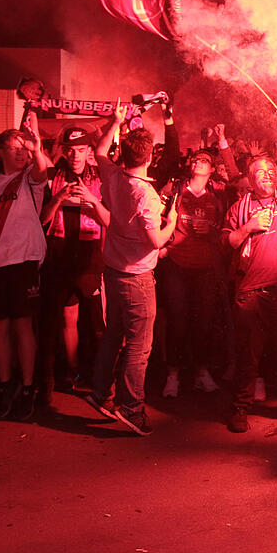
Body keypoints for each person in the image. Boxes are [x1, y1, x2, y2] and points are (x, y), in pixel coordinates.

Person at [85, 105, 178, 436]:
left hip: (113, 272)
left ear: (122, 153)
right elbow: (155, 241)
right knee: (139, 346)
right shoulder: (146, 194)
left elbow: (98, 150)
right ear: (150, 156)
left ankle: (100, 394)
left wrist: (116, 123)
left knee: (114, 335)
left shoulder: (114, 175)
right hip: (137, 278)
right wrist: (173, 223)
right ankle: (131, 408)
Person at [222, 108, 277, 434]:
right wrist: (247, 227)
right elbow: (228, 243)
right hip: (251, 295)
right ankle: (240, 409)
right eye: (260, 171)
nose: (267, 174)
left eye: (271, 170)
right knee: (249, 357)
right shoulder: (239, 208)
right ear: (249, 179)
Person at [0, 116, 49, 421]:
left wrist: (36, 146)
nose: (21, 152)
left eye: (24, 148)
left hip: (24, 260)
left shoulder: (29, 179)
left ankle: (30, 386)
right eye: (15, 147)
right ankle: (7, 385)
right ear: (2, 151)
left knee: (22, 325)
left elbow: (43, 171)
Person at [39, 126, 109, 400]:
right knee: (67, 318)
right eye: (70, 150)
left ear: (89, 152)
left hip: (91, 257)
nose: (75, 155)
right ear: (63, 152)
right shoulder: (53, 177)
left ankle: (99, 376)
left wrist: (91, 200)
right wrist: (59, 197)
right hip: (59, 258)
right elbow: (43, 220)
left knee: (98, 324)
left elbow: (109, 221)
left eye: (81, 150)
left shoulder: (100, 178)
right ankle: (71, 371)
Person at [158, 149, 226, 398]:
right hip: (177, 264)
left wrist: (211, 229)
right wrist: (164, 245)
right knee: (177, 321)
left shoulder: (217, 195)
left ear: (212, 170)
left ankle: (201, 371)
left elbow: (224, 229)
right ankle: (173, 375)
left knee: (204, 322)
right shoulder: (175, 190)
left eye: (205, 160)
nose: (199, 162)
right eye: (196, 159)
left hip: (205, 267)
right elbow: (156, 217)